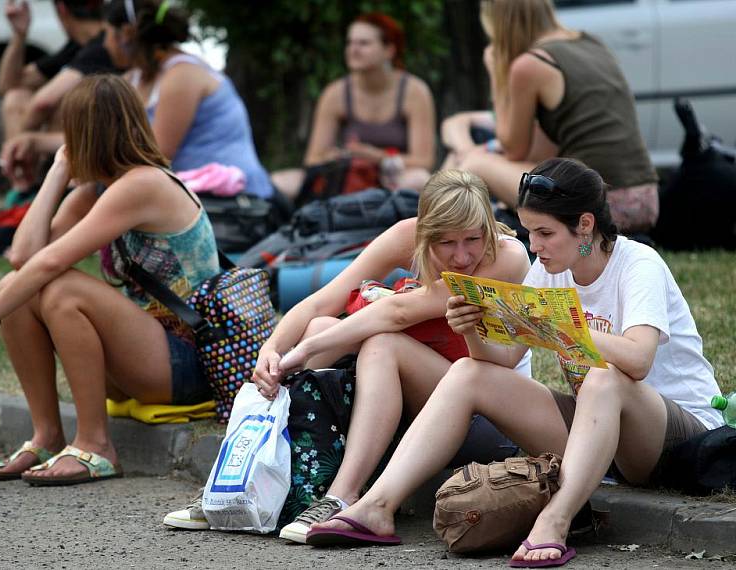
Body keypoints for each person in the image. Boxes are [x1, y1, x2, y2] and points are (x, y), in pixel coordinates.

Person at [306, 158, 723, 566]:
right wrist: (470, 327)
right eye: (528, 232)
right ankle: (377, 505)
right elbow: (503, 361)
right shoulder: (550, 269)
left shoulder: (637, 265)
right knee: (468, 372)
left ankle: (555, 521)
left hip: (678, 439)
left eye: (544, 233)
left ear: (585, 226)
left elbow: (638, 359)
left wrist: (565, 326)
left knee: (603, 378)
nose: (534, 246)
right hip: (600, 436)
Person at [162, 169, 532, 532]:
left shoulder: (507, 256)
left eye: (472, 239)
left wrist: (302, 351)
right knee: (323, 325)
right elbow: (322, 301)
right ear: (424, 233)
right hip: (422, 405)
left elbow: (398, 311)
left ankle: (342, 496)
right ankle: (237, 479)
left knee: (382, 344)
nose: (462, 256)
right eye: (446, 243)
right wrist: (271, 350)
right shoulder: (407, 236)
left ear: (487, 225)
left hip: (488, 419)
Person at [0, 75, 220, 486]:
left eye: (71, 133)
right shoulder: (98, 192)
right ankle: (46, 436)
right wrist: (59, 171)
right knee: (15, 289)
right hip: (146, 355)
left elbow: (49, 264)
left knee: (62, 290)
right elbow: (24, 258)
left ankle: (96, 445)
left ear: (87, 134)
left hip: (188, 360)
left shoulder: (143, 185)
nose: (66, 142)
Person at [440, 0, 658, 234]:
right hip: (645, 200)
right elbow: (541, 155)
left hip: (594, 205)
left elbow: (513, 149)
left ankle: (432, 231)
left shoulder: (530, 64)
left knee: (474, 164)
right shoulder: (591, 43)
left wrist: (497, 73)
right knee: (476, 160)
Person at [102, 0, 274, 199]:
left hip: (234, 201)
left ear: (126, 33)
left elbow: (153, 158)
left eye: (106, 34)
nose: (104, 44)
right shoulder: (136, 77)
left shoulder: (181, 76)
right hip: (192, 197)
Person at [271, 12, 436, 199]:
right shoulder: (336, 93)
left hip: (391, 177)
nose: (353, 49)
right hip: (345, 176)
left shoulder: (414, 91)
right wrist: (341, 156)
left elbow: (424, 161)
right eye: (350, 43)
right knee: (280, 182)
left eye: (364, 43)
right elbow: (312, 159)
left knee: (419, 179)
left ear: (389, 50)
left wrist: (376, 156)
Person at [0, 0, 117, 190]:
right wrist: (19, 36)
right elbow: (8, 85)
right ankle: (25, 186)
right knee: (16, 97)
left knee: (64, 104)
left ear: (61, 9)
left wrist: (21, 141)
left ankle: (23, 185)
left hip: (96, 144)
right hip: (77, 144)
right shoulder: (77, 46)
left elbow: (43, 102)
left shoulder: (101, 46)